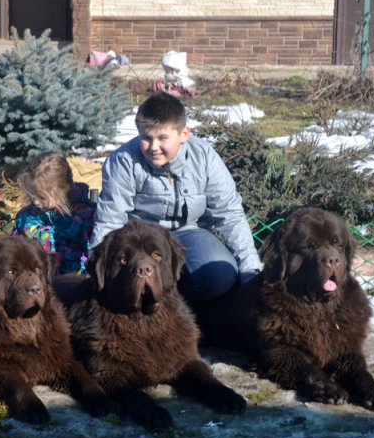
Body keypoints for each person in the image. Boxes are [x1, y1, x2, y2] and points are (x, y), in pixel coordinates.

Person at [90, 92, 261, 304]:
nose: (153, 147)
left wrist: (250, 273)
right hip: (140, 239)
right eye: (146, 138)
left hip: (190, 232)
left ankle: (178, 311)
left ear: (184, 134)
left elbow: (230, 215)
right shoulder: (123, 161)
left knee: (220, 276)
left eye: (162, 138)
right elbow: (110, 220)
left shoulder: (204, 157)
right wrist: (96, 274)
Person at [13, 152, 95, 275]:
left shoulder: (83, 216)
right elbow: (15, 248)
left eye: (42, 197)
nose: (35, 201)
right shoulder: (26, 217)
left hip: (74, 281)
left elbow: (93, 250)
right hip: (36, 281)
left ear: (62, 191)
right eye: (31, 195)